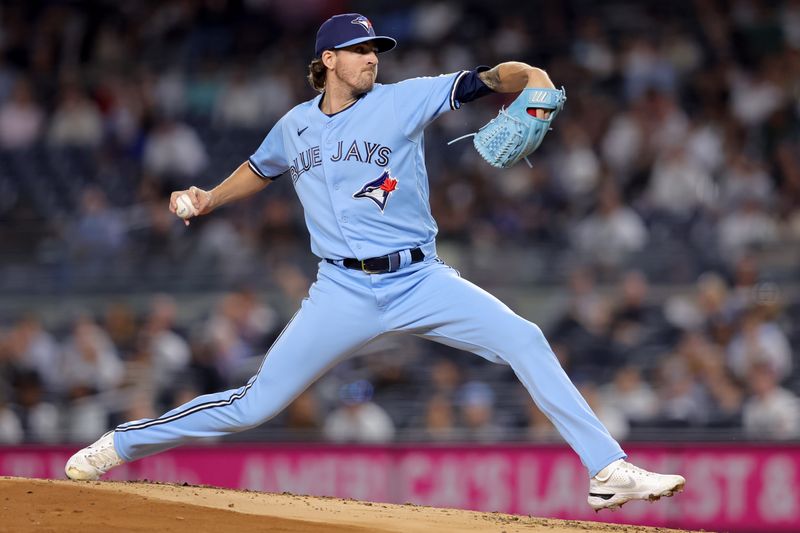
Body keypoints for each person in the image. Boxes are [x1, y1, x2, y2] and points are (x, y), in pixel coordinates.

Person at [66, 13, 685, 511]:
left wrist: (534, 75)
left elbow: (488, 78)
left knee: (525, 338)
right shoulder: (294, 127)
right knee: (254, 406)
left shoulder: (403, 99)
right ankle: (121, 443)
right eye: (360, 50)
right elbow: (259, 170)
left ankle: (607, 469)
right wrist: (206, 198)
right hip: (341, 291)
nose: (372, 59)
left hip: (420, 277)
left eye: (376, 50)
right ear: (328, 60)